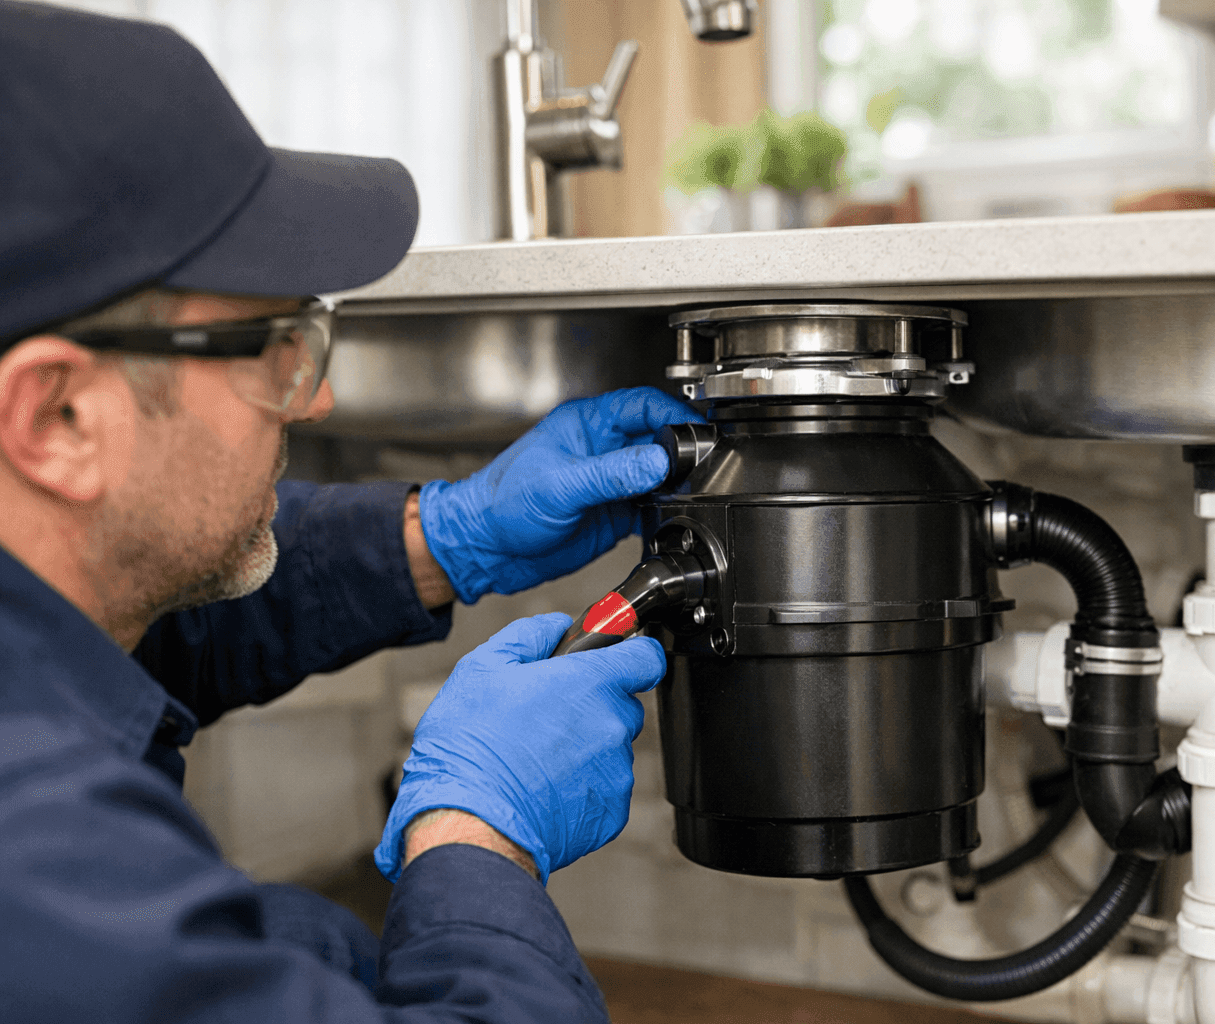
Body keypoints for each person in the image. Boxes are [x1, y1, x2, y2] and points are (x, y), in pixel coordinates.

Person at [0, 3, 700, 1021]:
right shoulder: (41, 860)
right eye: (275, 342)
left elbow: (116, 622)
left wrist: (443, 535)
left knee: (313, 938)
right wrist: (475, 837)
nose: (315, 398)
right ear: (57, 415)